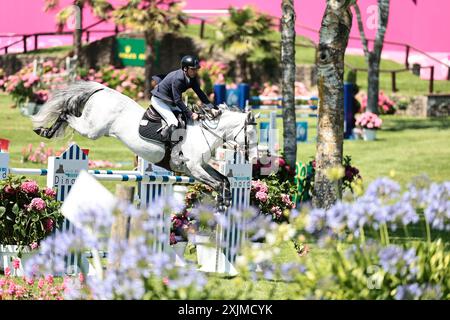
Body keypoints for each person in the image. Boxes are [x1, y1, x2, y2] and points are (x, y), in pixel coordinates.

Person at [150, 55, 215, 141]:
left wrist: (212, 107)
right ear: (185, 69)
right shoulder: (178, 79)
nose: (195, 71)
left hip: (170, 101)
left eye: (196, 69)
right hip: (159, 101)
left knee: (185, 118)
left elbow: (200, 93)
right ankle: (171, 149)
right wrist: (191, 114)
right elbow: (178, 100)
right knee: (173, 122)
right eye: (193, 69)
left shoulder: (191, 77)